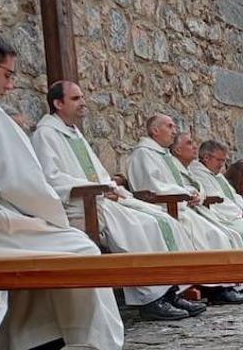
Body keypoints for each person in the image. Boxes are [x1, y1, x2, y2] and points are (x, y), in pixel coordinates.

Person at [0, 28, 123, 350]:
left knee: (44, 243)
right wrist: (53, 218)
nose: (10, 86)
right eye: (8, 75)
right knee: (76, 248)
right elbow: (20, 182)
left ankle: (30, 342)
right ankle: (49, 347)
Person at [31, 80, 203, 322]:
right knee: (140, 227)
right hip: (81, 204)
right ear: (58, 103)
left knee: (162, 219)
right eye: (76, 99)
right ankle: (150, 299)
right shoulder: (45, 134)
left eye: (82, 97)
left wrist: (111, 187)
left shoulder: (74, 133)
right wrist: (98, 189)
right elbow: (51, 178)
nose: (83, 103)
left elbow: (98, 171)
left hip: (101, 197)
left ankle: (170, 290)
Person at [128, 114, 243, 305]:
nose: (174, 130)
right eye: (169, 126)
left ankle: (223, 285)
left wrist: (192, 192)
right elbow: (152, 187)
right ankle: (214, 289)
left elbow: (185, 182)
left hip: (183, 207)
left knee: (221, 234)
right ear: (155, 130)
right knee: (213, 235)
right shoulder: (143, 154)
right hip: (166, 208)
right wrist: (184, 192)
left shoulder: (163, 155)